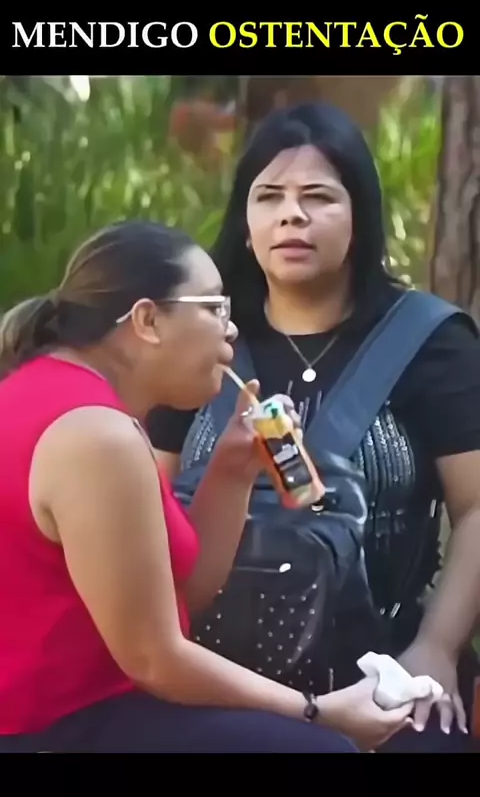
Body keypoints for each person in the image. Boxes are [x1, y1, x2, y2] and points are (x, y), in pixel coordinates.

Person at [0, 219, 414, 753]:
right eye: (215, 306)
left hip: (92, 710)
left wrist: (232, 470)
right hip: (52, 728)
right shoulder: (97, 435)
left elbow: (182, 597)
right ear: (148, 320)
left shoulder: (62, 400)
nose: (231, 329)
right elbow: (154, 658)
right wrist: (317, 712)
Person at [146, 102, 480, 753]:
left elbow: (475, 508)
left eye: (319, 197)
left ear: (360, 218)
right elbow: (149, 503)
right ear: (246, 224)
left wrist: (436, 648)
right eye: (269, 196)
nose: (291, 214)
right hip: (215, 677)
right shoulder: (197, 340)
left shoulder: (431, 341)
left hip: (383, 674)